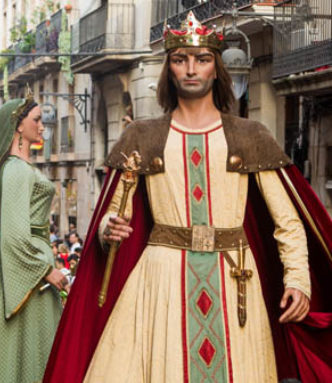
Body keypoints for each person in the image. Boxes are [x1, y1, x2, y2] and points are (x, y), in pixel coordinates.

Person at [44, 12, 332, 383]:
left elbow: (288, 221)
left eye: (202, 59)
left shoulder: (250, 135)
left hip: (233, 281)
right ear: (169, 70)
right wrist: (106, 229)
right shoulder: (142, 137)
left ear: (216, 69)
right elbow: (112, 213)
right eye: (180, 60)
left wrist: (297, 281)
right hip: (161, 280)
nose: (191, 69)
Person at [0, 94, 66, 383]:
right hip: (29, 272)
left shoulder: (20, 169)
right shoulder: (15, 170)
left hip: (32, 269)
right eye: (36, 120)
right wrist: (46, 271)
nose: (42, 127)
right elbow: (13, 235)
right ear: (17, 126)